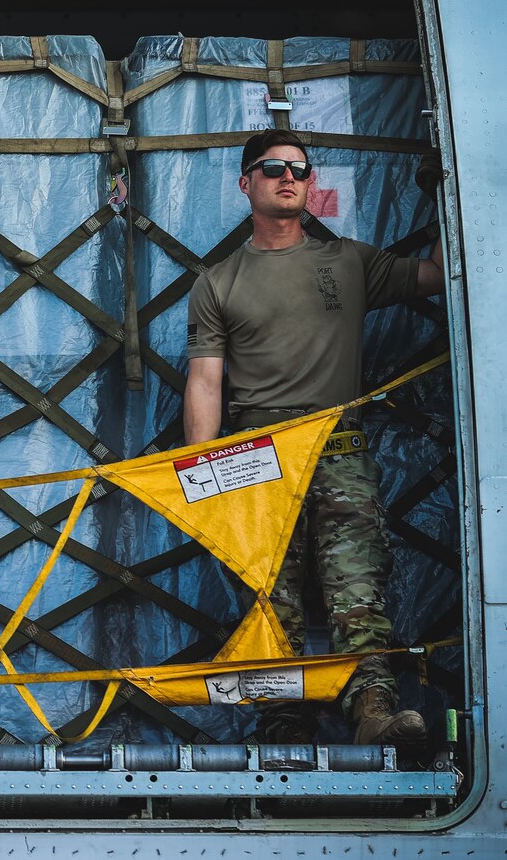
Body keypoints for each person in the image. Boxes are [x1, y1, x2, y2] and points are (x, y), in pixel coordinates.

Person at [182, 128, 444, 748]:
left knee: (359, 586)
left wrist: (444, 193)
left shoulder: (350, 262)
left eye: (299, 168)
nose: (288, 176)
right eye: (272, 168)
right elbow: (204, 383)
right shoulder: (218, 281)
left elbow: (437, 274)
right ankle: (282, 721)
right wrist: (201, 474)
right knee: (269, 596)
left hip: (339, 453)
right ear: (247, 183)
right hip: (256, 455)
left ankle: (373, 710)